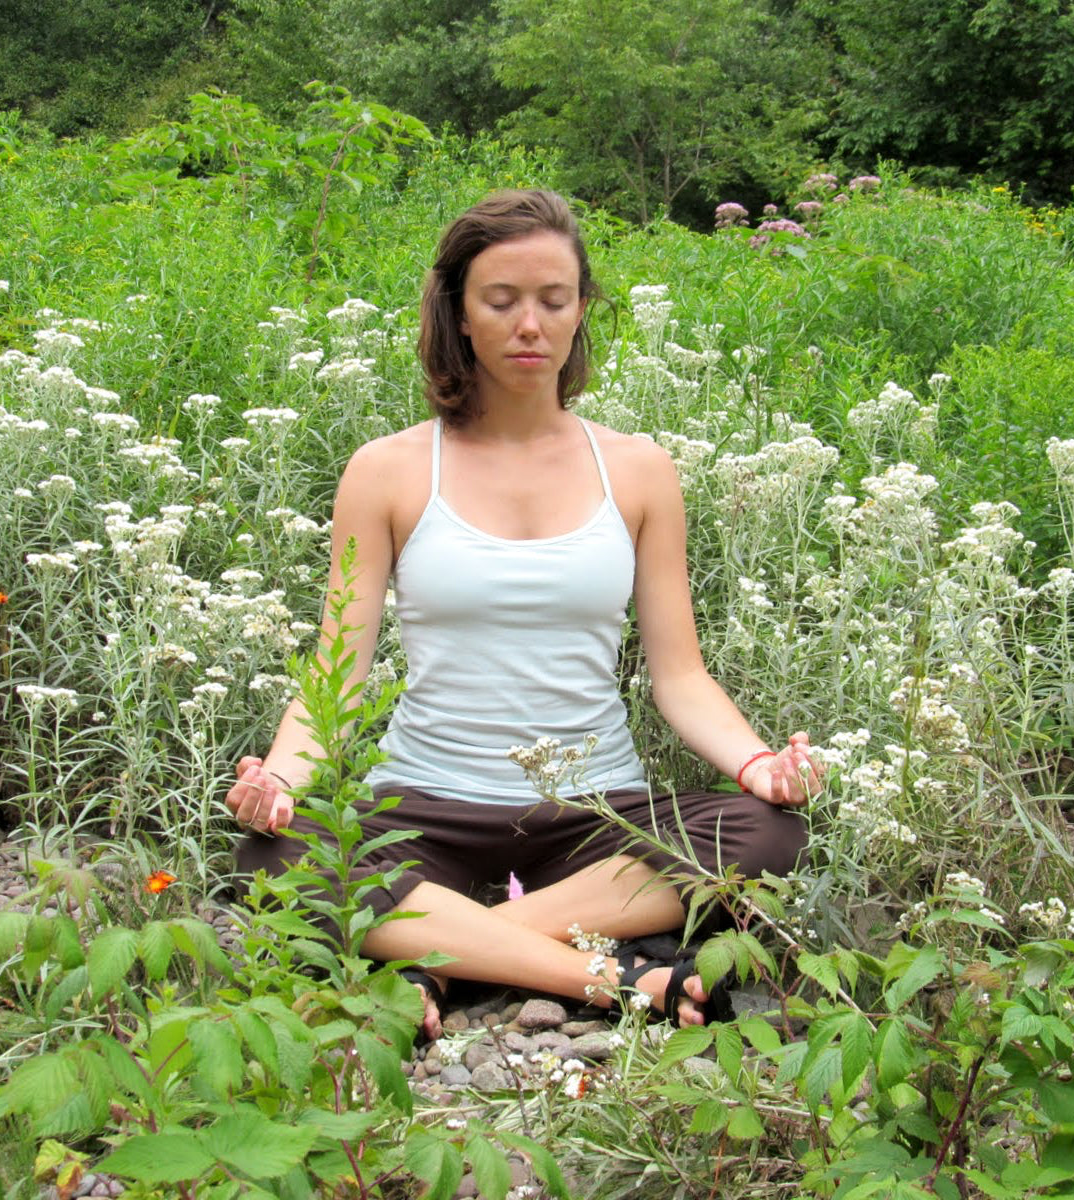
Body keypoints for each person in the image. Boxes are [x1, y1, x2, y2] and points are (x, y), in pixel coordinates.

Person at [229, 189, 819, 1040]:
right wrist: (279, 785)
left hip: (593, 816)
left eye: (554, 300)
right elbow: (339, 672)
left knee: (769, 836)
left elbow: (680, 677)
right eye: (500, 302)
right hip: (420, 807)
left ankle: (443, 956)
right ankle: (615, 977)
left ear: (583, 309)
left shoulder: (640, 470)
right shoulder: (388, 470)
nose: (530, 325)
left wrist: (760, 763)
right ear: (458, 315)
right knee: (276, 856)